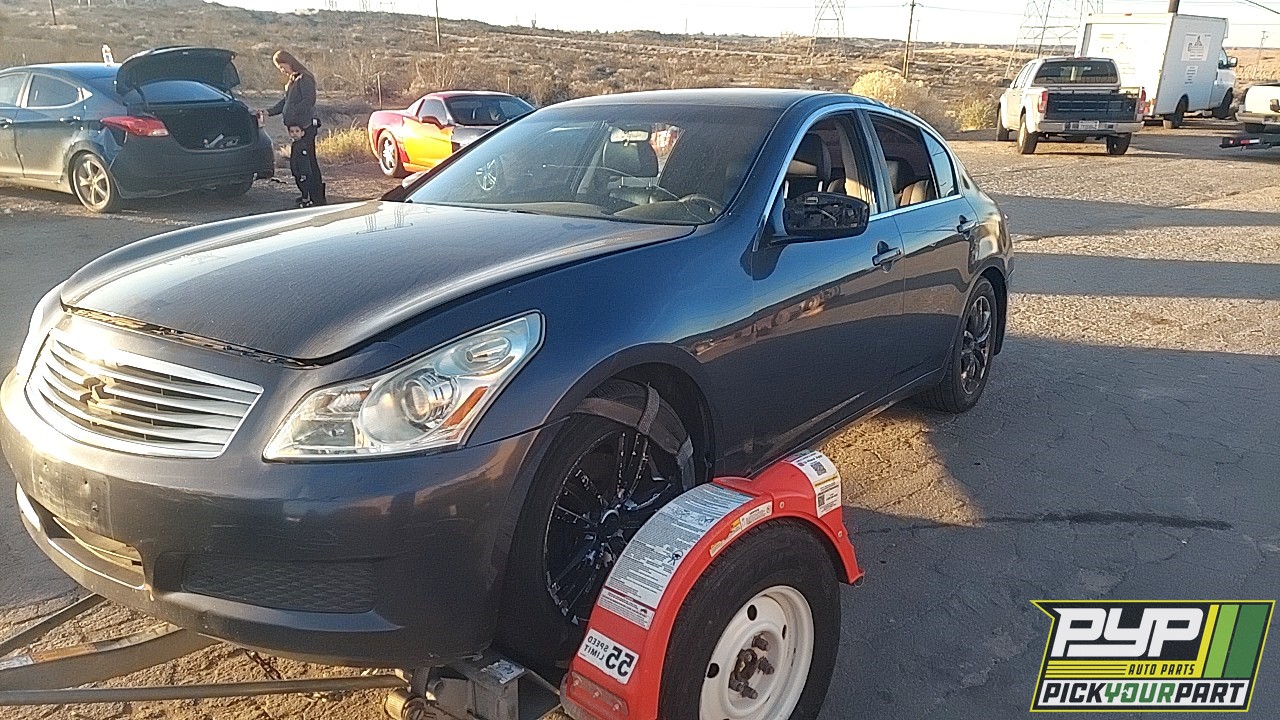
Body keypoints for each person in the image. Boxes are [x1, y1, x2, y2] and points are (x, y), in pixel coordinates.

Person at [260, 50, 324, 206]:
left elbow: (309, 101)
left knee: (309, 162)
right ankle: (307, 194)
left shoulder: (305, 78)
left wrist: (295, 115)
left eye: (282, 66)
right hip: (297, 127)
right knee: (301, 163)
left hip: (306, 127)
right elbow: (285, 101)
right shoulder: (293, 80)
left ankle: (317, 197)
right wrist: (270, 112)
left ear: (289, 62)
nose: (282, 70)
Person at [287, 124, 322, 207]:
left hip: (303, 172)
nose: (294, 133)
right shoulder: (295, 144)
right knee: (300, 185)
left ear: (302, 133)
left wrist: (304, 173)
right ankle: (304, 197)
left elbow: (304, 161)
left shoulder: (302, 146)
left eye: (297, 131)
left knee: (305, 186)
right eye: (292, 132)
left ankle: (306, 200)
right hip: (297, 171)